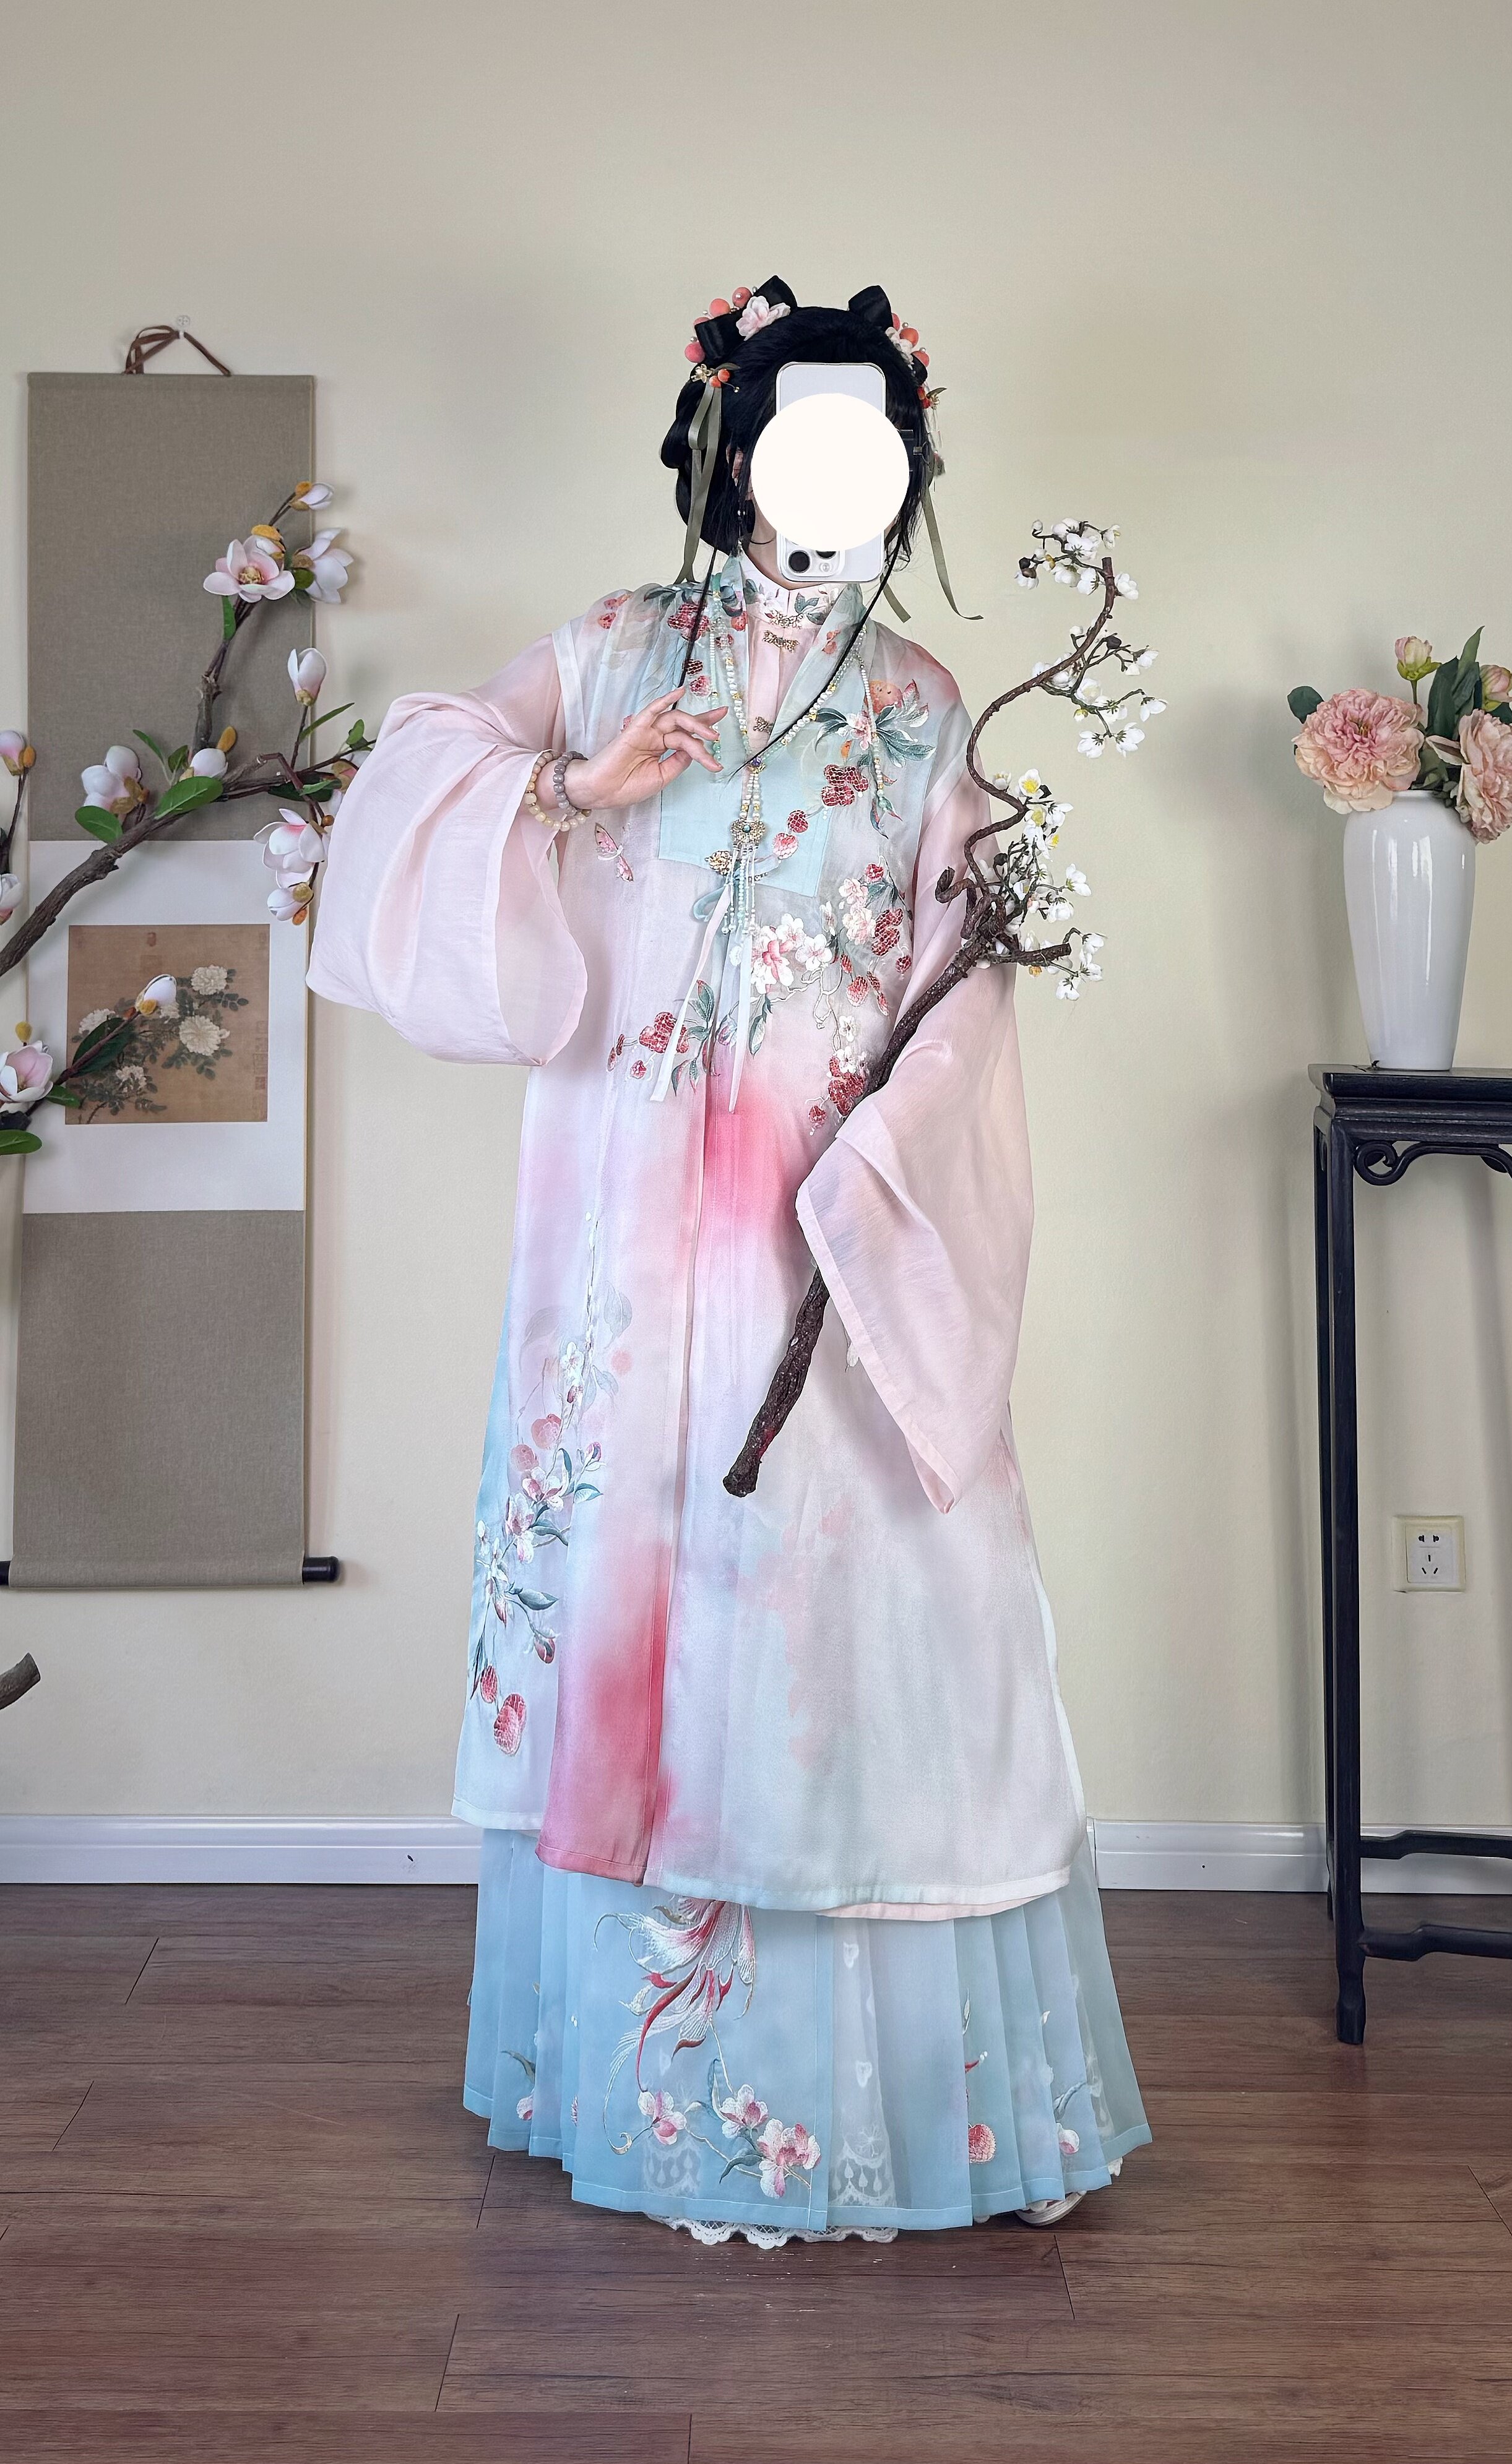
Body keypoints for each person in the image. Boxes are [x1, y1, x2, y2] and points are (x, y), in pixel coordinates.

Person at [307, 278, 1149, 2243]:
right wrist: (568, 790)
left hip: (817, 1238)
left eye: (871, 444)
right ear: (732, 449)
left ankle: (875, 2108)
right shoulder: (608, 653)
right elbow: (411, 781)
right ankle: (644, 2085)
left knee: (844, 1623)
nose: (832, 477)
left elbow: (968, 977)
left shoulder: (923, 702)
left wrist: (883, 1160)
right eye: (798, 437)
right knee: (636, 1607)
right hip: (619, 1235)